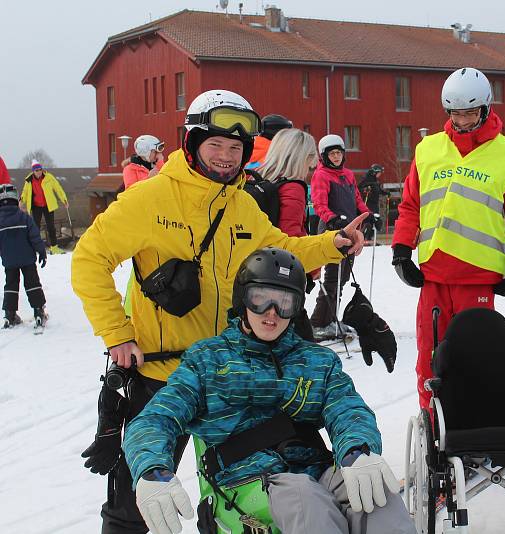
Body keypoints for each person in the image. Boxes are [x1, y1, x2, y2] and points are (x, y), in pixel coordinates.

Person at [72, 89, 367, 534]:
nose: (227, 157)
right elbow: (89, 258)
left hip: (224, 374)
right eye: (216, 145)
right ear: (192, 144)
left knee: (232, 494)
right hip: (161, 374)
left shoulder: (242, 203)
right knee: (137, 501)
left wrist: (332, 244)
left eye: (235, 148)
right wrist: (116, 331)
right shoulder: (150, 199)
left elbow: (281, 249)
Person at [122, 247, 414, 534]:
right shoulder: (208, 360)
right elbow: (157, 419)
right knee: (303, 497)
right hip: (242, 484)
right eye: (260, 298)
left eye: (284, 302)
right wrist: (151, 468)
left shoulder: (316, 361)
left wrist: (357, 450)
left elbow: (347, 408)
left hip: (312, 472)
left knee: (378, 494)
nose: (271, 314)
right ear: (243, 298)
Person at [391, 66, 505, 410]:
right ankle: (434, 426)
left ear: (486, 108)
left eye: (470, 113)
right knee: (430, 359)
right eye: (455, 114)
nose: (462, 121)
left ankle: (476, 426)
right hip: (434, 277)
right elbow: (411, 205)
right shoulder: (428, 150)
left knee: (477, 358)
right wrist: (401, 251)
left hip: (478, 280)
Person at [251, 127, 320, 340]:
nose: (312, 166)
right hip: (283, 280)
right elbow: (291, 237)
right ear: (302, 157)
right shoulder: (293, 187)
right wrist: (313, 265)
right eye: (311, 158)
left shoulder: (262, 180)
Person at [309, 133, 372, 340]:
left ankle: (331, 319)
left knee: (343, 277)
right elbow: (319, 204)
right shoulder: (321, 175)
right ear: (324, 156)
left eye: (339, 153)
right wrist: (333, 219)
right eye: (332, 154)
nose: (336, 157)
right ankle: (318, 322)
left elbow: (356, 199)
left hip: (350, 230)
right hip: (332, 230)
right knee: (333, 277)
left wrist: (368, 216)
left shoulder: (348, 174)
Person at [0, 184, 47, 328]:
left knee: (11, 285)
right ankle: (38, 311)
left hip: (9, 261)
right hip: (27, 259)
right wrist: (42, 252)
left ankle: (10, 314)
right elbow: (34, 237)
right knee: (32, 283)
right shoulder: (24, 217)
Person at [21, 159, 68, 254]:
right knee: (35, 228)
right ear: (33, 171)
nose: (38, 172)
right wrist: (21, 201)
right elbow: (25, 192)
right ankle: (35, 248)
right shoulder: (29, 180)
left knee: (51, 227)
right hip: (36, 206)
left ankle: (54, 247)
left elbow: (58, 188)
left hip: (48, 205)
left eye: (40, 170)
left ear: (42, 169)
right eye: (36, 170)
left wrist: (64, 199)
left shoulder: (49, 177)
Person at [358, 163, 388, 243]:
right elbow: (359, 188)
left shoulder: (375, 181)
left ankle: (369, 238)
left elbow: (378, 190)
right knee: (369, 220)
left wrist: (385, 193)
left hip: (375, 204)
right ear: (375, 172)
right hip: (367, 203)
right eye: (379, 173)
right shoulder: (366, 179)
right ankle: (363, 238)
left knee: (376, 221)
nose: (380, 174)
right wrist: (365, 189)